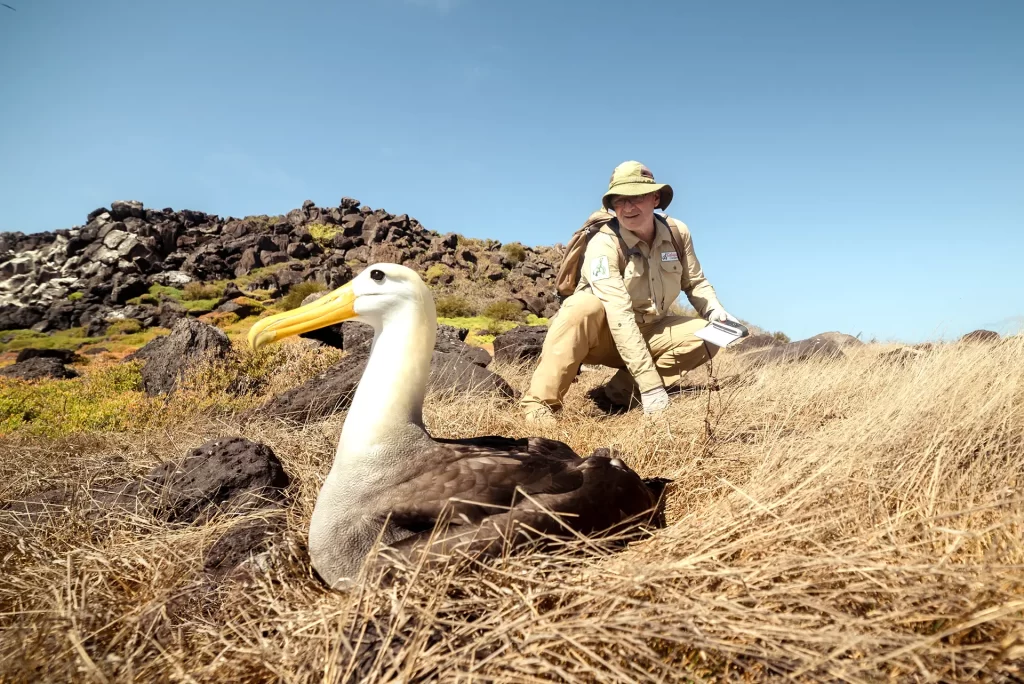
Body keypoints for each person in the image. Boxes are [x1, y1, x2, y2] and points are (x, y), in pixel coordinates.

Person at [521, 160, 739, 424]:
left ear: (655, 198)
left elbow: (694, 281)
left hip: (651, 328)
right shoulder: (604, 243)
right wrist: (651, 386)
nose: (628, 207)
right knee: (581, 307)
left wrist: (715, 310)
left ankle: (617, 395)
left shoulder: (677, 233)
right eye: (620, 200)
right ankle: (540, 406)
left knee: (712, 336)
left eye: (637, 197)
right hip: (603, 335)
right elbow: (619, 313)